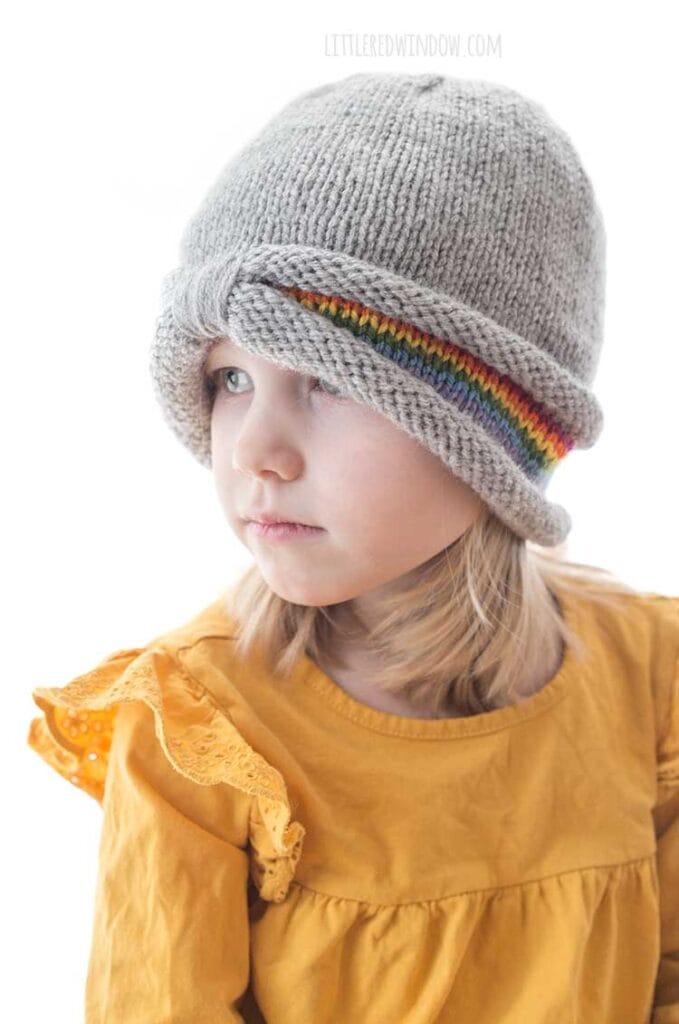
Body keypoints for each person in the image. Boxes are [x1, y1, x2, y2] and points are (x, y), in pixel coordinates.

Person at [26, 71, 678, 1023]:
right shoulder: (203, 735)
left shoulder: (649, 675)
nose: (255, 451)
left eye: (329, 382)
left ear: (492, 427)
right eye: (230, 381)